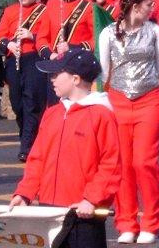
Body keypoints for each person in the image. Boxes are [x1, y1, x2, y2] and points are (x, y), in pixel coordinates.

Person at [9, 49, 121, 248]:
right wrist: (24, 193)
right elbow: (37, 159)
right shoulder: (52, 113)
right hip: (49, 211)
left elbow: (110, 165)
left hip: (83, 213)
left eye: (56, 74)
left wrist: (92, 199)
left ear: (75, 79)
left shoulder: (101, 115)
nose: (51, 79)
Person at [98, 0, 159, 244]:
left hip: (149, 100)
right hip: (118, 101)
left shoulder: (154, 31)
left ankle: (151, 222)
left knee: (144, 163)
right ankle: (126, 223)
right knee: (123, 166)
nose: (153, 9)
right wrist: (99, 105)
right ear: (134, 6)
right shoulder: (108, 33)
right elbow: (104, 74)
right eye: (149, 5)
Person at [0, 0, 48, 162]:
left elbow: (49, 35)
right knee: (17, 103)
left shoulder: (43, 10)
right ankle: (28, 135)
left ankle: (26, 146)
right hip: (13, 59)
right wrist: (8, 44)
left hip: (33, 58)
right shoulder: (10, 11)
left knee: (31, 101)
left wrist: (32, 35)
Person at [36, 0, 95, 105]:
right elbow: (42, 38)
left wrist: (73, 48)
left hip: (79, 70)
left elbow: (97, 40)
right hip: (56, 67)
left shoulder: (89, 5)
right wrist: (51, 55)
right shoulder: (52, 3)